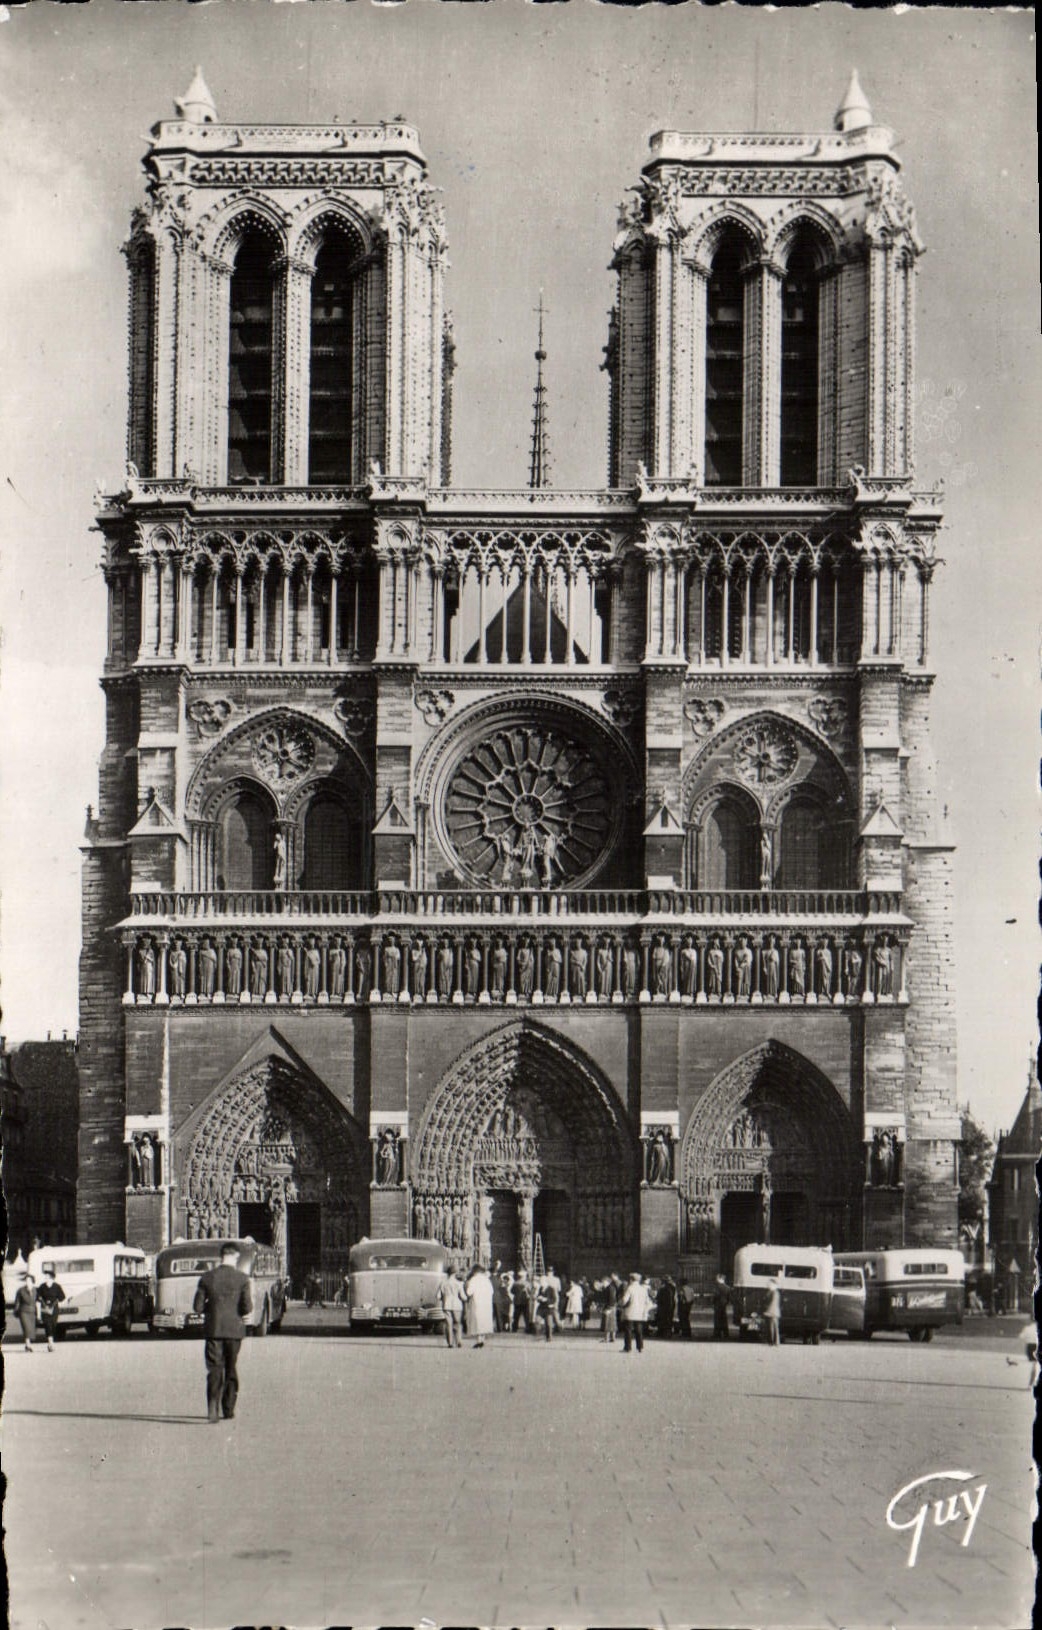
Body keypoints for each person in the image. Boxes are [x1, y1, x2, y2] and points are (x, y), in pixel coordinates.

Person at [192, 1242, 253, 1422]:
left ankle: (212, 1407)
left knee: (214, 1369)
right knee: (231, 1368)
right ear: (235, 1257)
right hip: (234, 1331)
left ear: (221, 1256)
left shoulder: (207, 1278)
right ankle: (228, 1409)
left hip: (214, 1330)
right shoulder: (242, 1279)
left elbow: (197, 1307)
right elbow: (247, 1307)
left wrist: (212, 1309)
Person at [463, 1263, 494, 1348]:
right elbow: (491, 1292)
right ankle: (482, 1339)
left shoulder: (474, 1279)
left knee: (478, 1322)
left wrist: (466, 1287)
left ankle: (479, 1340)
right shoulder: (487, 1280)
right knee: (484, 1321)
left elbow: (469, 1292)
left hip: (477, 1303)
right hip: (486, 1303)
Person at [619, 1272, 651, 1353]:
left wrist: (621, 1304)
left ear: (631, 1279)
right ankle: (640, 1347)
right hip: (640, 1313)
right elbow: (648, 1301)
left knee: (628, 1330)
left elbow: (624, 1300)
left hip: (630, 1312)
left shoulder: (630, 1288)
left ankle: (628, 1348)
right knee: (639, 1330)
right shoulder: (643, 1289)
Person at [37, 1267, 66, 1352]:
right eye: (45, 1276)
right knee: (48, 1325)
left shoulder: (57, 1286)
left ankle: (50, 1341)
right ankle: (51, 1343)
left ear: (51, 1278)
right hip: (45, 1309)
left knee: (53, 1325)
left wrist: (57, 1299)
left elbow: (62, 1297)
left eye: (47, 1276)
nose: (45, 1278)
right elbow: (38, 1297)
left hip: (54, 1309)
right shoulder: (42, 1286)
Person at [437, 1267, 465, 1349]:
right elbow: (463, 1296)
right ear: (455, 1273)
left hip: (446, 1305)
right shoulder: (459, 1283)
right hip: (457, 1305)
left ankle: (450, 1343)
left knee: (448, 1324)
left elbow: (438, 1296)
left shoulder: (443, 1283)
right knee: (457, 1323)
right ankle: (459, 1341)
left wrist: (444, 1298)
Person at [14, 1273, 37, 1351]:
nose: (28, 1282)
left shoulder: (35, 1290)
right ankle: (28, 1345)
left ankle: (27, 1344)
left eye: (29, 1280)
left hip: (32, 1311)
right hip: (23, 1311)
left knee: (31, 1328)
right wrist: (16, 1311)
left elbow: (38, 1301)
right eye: (26, 1280)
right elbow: (17, 1302)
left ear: (32, 1281)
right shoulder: (20, 1290)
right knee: (26, 1328)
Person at [536, 1277, 559, 1342]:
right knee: (537, 1321)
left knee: (548, 1324)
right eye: (540, 1282)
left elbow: (554, 1299)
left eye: (541, 1282)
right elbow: (538, 1296)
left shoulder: (551, 1289)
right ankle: (539, 1336)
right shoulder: (540, 1288)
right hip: (541, 1308)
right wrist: (538, 1298)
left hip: (548, 1309)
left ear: (545, 1282)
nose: (540, 1283)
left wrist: (546, 1300)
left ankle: (549, 1338)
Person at [601, 1275, 620, 1343]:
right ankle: (612, 1338)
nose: (602, 1283)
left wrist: (609, 1308)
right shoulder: (610, 1288)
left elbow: (612, 1299)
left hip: (610, 1307)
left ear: (607, 1282)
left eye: (603, 1282)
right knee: (612, 1323)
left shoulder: (610, 1288)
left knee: (607, 1323)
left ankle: (606, 1338)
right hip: (611, 1306)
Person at [763, 1277, 782, 1346]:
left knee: (773, 1327)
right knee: (771, 1327)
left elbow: (773, 1303)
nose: (768, 1285)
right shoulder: (770, 1292)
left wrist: (768, 1311)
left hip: (772, 1312)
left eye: (770, 1283)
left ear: (774, 1285)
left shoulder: (775, 1293)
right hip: (772, 1312)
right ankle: (772, 1341)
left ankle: (774, 1342)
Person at [712, 1273, 731, 1341]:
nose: (716, 1280)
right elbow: (729, 1297)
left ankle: (717, 1333)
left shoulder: (717, 1287)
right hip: (724, 1304)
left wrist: (713, 1302)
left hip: (718, 1304)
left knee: (717, 1319)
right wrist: (726, 1302)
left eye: (717, 1278)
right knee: (724, 1319)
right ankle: (726, 1333)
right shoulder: (728, 1288)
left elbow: (715, 1296)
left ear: (720, 1279)